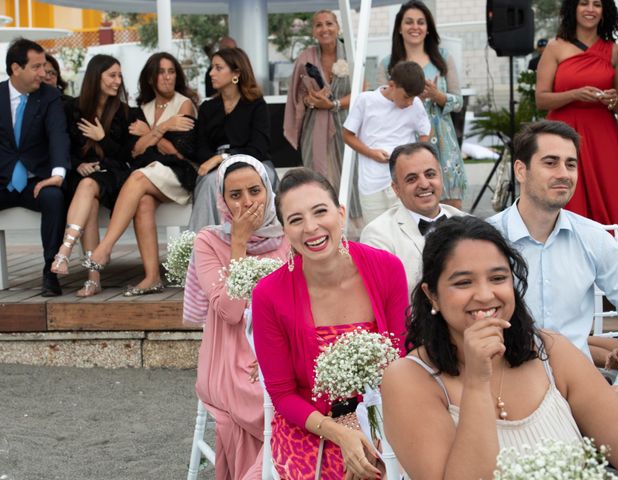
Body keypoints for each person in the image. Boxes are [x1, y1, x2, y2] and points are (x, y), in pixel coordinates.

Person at [381, 216, 618, 479]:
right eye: (463, 282)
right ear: (431, 294)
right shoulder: (408, 379)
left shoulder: (552, 352)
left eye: (497, 278)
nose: (484, 295)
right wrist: (477, 380)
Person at [252, 168, 408, 479]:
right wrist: (342, 434)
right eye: (295, 219)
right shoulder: (268, 295)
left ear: (340, 213)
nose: (310, 228)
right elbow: (282, 395)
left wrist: (375, 429)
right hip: (310, 426)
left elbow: (401, 359)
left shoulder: (387, 269)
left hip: (388, 415)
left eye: (320, 211)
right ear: (284, 230)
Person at [488, 120, 618, 409]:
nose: (564, 174)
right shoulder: (486, 240)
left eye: (571, 164)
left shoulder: (592, 237)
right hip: (505, 395)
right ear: (521, 170)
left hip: (580, 395)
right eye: (550, 162)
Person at [194, 155, 288, 479]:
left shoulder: (289, 236)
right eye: (235, 195)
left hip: (282, 347)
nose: (248, 203)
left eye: (254, 191)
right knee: (270, 401)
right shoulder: (209, 242)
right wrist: (238, 241)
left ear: (269, 192)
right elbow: (230, 313)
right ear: (223, 201)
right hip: (231, 356)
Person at [83, 52, 199, 296]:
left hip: (179, 174)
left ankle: (104, 248)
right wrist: (163, 130)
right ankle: (152, 277)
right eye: (161, 72)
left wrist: (154, 132)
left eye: (171, 71)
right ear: (150, 78)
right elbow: (135, 151)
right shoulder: (141, 110)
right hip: (152, 174)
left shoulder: (184, 104)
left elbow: (179, 152)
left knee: (136, 177)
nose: (167, 77)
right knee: (144, 202)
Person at [536, 0, 618, 259]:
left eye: (597, 4)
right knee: (570, 195)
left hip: (603, 133)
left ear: (605, 11)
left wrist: (615, 101)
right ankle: (567, 260)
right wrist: (574, 94)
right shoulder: (555, 47)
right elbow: (541, 99)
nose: (590, 9)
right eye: (584, 3)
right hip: (563, 134)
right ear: (573, 8)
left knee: (613, 195)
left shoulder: (613, 50)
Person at [49, 54, 132, 297]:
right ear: (97, 77)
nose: (117, 81)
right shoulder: (71, 109)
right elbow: (62, 147)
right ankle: (93, 279)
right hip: (83, 176)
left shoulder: (125, 113)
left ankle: (64, 251)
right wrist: (77, 165)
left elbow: (127, 156)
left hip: (113, 176)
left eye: (119, 76)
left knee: (88, 186)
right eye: (112, 75)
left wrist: (102, 138)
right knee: (89, 198)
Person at [378, 0, 467, 210]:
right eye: (409, 22)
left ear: (428, 29)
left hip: (443, 144)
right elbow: (380, 105)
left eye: (421, 22)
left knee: (451, 209)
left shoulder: (443, 59)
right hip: (406, 141)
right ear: (399, 28)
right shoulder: (387, 64)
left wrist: (437, 96)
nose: (415, 27)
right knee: (411, 207)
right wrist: (407, 97)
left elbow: (458, 102)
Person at [0, 38, 70, 296]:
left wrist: (57, 174)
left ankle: (50, 272)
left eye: (44, 66)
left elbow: (58, 136)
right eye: (36, 66)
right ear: (16, 68)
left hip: (36, 182)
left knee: (54, 197)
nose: (43, 73)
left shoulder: (49, 96)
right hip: (3, 181)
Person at [283, 9, 361, 220]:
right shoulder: (305, 57)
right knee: (317, 177)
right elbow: (297, 95)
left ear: (337, 27)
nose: (324, 29)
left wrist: (333, 104)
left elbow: (361, 90)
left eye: (329, 23)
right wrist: (311, 100)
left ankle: (350, 226)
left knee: (348, 175)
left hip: (347, 125)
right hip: (314, 126)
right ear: (313, 31)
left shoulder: (351, 53)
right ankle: (320, 220)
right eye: (319, 25)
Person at [360, 142, 465, 294]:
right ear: (396, 189)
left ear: (441, 177)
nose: (423, 184)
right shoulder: (378, 235)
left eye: (430, 174)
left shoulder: (465, 221)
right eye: (411, 179)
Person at [189, 47, 271, 231]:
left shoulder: (256, 105)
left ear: (236, 73)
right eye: (212, 68)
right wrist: (216, 161)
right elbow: (200, 148)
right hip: (214, 167)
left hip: (254, 163)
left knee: (217, 180)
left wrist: (224, 158)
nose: (211, 73)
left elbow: (259, 148)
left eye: (218, 68)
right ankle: (202, 245)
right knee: (211, 180)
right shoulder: (208, 107)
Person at [343, 61, 431, 225]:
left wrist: (414, 157)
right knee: (375, 234)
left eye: (414, 98)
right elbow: (347, 135)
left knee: (408, 230)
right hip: (371, 183)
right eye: (406, 97)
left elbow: (426, 132)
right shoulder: (365, 100)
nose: (410, 102)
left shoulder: (415, 104)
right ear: (391, 85)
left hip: (405, 181)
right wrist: (371, 153)